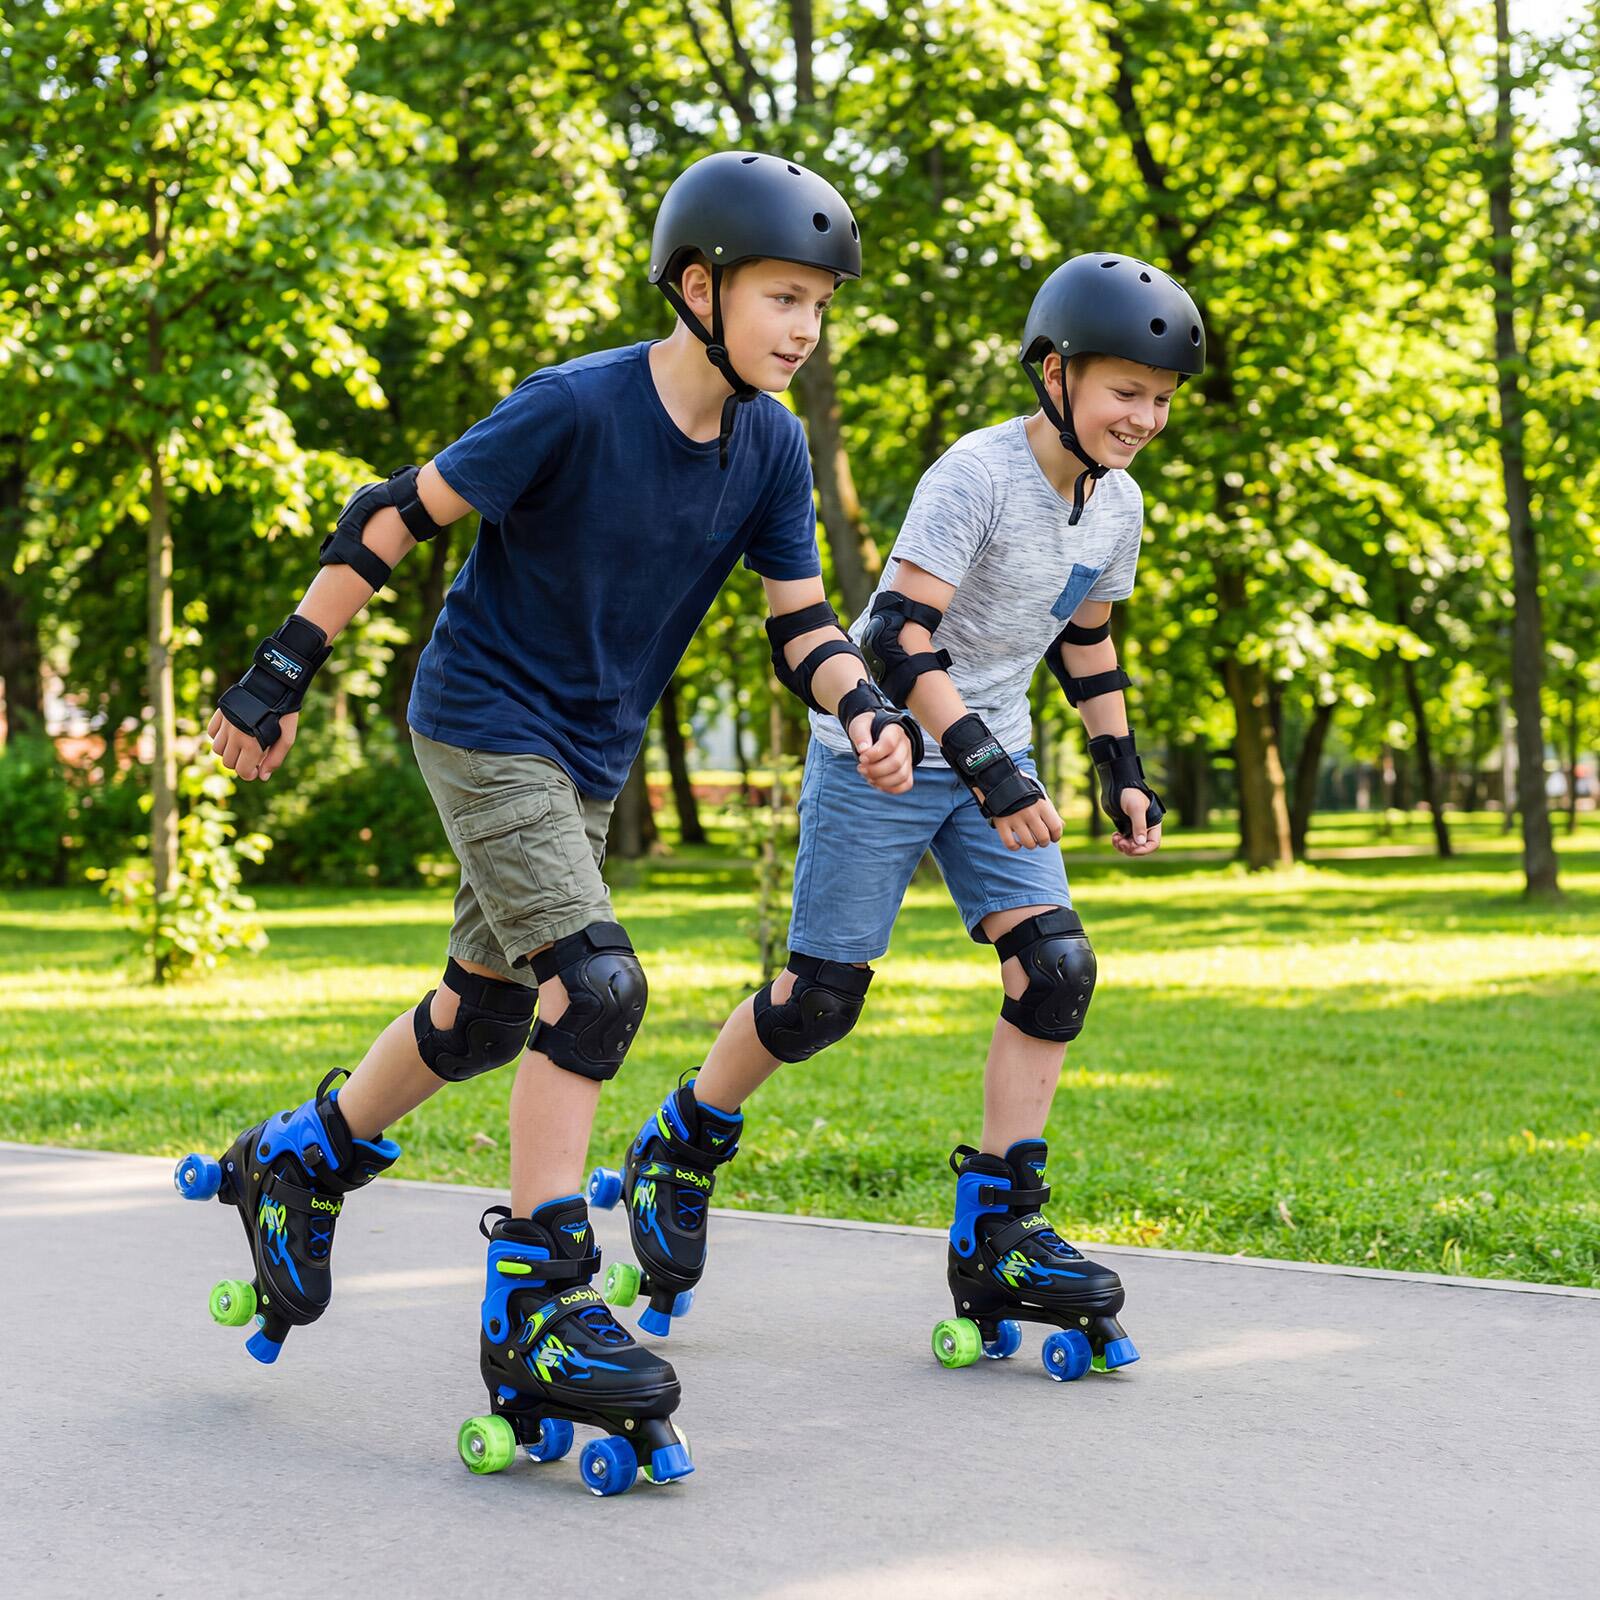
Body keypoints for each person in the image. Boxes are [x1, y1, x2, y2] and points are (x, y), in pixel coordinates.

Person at [174, 150, 919, 1494]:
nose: (805, 330)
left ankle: (298, 1161)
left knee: (487, 1015)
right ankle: (538, 1300)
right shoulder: (572, 408)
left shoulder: (768, 447)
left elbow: (800, 623)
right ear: (700, 287)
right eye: (783, 298)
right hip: (480, 719)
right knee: (598, 985)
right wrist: (279, 672)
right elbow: (392, 516)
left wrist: (861, 702)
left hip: (585, 752)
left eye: (820, 305)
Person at [590, 252, 1205, 1384]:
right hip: (882, 749)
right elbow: (892, 637)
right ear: (1054, 373)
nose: (1145, 418)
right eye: (1127, 391)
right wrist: (982, 766)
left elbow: (1087, 639)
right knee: (820, 999)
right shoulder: (973, 475)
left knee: (1056, 969)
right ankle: (682, 1139)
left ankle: (1001, 1231)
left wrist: (1120, 763)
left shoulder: (1115, 505)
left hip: (996, 753)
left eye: (1162, 400)